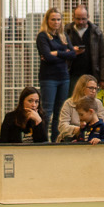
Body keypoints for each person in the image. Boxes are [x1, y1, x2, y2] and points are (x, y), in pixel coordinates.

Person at [34, 8, 71, 143]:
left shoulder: (63, 36)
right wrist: (64, 54)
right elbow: (47, 56)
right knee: (47, 111)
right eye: (53, 19)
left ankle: (56, 140)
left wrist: (57, 53)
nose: (56, 22)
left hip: (64, 77)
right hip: (49, 78)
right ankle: (43, 140)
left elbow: (73, 54)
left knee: (59, 112)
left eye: (58, 19)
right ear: (47, 21)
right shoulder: (42, 36)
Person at [64, 4, 104, 89]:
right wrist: (71, 52)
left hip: (91, 74)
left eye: (83, 19)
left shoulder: (96, 32)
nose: (81, 22)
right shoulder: (66, 31)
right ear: (73, 17)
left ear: (88, 17)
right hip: (71, 74)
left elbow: (103, 56)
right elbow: (60, 51)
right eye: (78, 19)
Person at [60, 79, 104, 144]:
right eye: (91, 88)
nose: (80, 118)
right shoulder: (85, 127)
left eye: (81, 115)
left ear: (91, 112)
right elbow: (80, 138)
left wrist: (100, 141)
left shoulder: (102, 126)